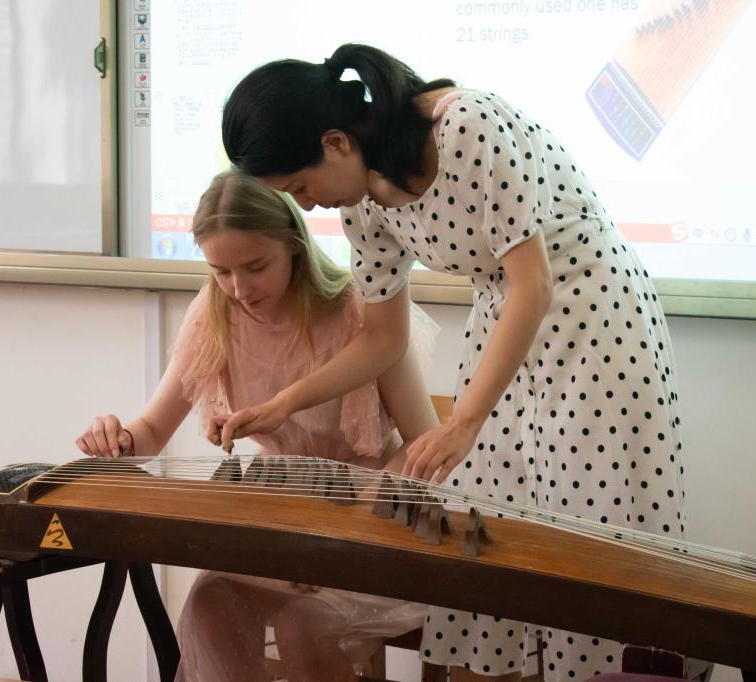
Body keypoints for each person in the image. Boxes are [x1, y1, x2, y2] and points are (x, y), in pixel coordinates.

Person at [216, 44, 686, 681]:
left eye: (300, 186)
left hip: (594, 318)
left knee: (585, 535)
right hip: (504, 324)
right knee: (484, 540)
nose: (305, 204)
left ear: (336, 142)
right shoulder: (362, 206)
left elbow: (534, 285)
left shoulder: (466, 126)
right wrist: (285, 402)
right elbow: (382, 338)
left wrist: (465, 421)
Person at [75, 169, 439, 682]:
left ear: (293, 245)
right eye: (220, 271)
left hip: (371, 517)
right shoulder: (214, 314)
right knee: (209, 605)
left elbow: (425, 442)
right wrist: (117, 438)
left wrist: (350, 524)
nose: (239, 289)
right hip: (278, 516)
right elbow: (151, 432)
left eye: (255, 267)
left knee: (301, 624)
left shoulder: (361, 315)